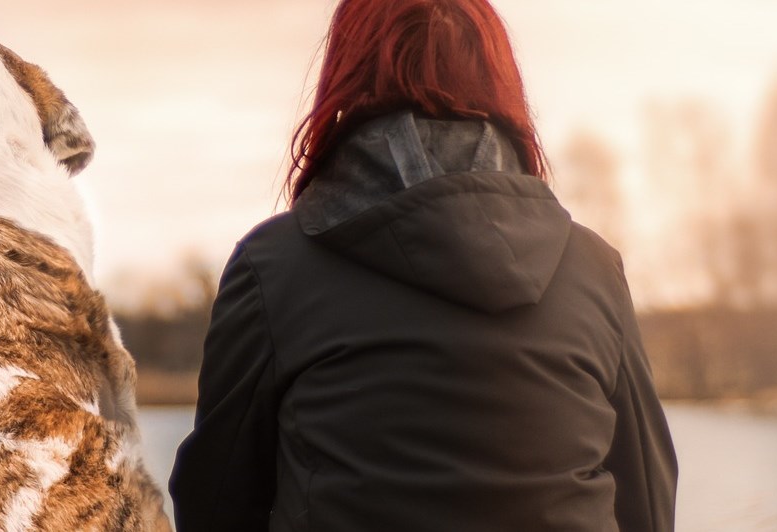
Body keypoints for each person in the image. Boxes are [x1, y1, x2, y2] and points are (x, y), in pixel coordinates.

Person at [167, 0, 678, 530]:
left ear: (347, 77)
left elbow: (215, 503)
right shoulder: (594, 270)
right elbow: (647, 503)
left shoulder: (273, 267)